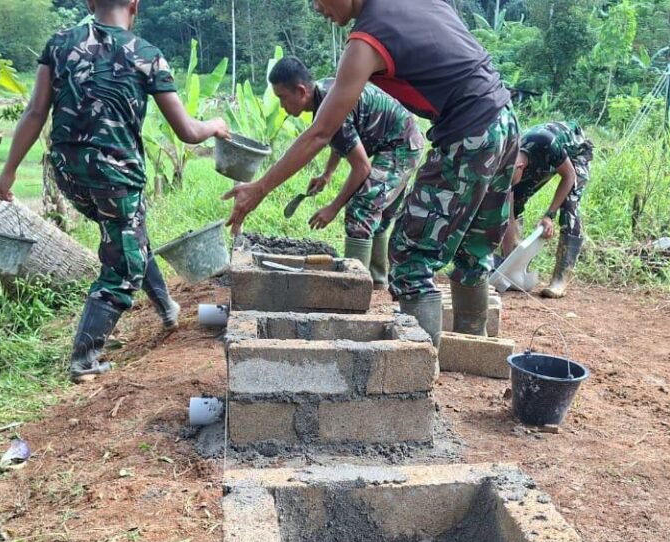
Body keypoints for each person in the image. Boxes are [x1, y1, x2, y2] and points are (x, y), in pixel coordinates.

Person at [224, 0, 518, 347]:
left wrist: (259, 188)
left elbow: (321, 133)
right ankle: (476, 349)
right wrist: (329, 175)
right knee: (473, 249)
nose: (316, 7)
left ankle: (414, 377)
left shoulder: (366, 41)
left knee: (410, 258)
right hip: (505, 121)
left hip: (468, 133)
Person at [0, 0, 229, 382]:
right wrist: (215, 125)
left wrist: (8, 172)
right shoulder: (147, 55)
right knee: (123, 266)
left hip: (70, 173)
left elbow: (35, 112)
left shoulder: (59, 44)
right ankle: (84, 358)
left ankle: (167, 307)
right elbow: (188, 131)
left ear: (89, 3)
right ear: (134, 4)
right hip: (115, 174)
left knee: (129, 231)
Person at [268, 56, 424, 289]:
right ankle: (377, 284)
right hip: (401, 142)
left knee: (361, 211)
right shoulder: (324, 94)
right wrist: (327, 174)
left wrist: (333, 207)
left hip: (401, 145)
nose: (282, 106)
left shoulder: (329, 102)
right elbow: (342, 138)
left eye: (283, 98)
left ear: (301, 91)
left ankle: (355, 289)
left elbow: (361, 167)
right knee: (377, 214)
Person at [505, 121, 593, 298]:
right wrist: (509, 259)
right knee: (513, 201)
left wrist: (549, 215)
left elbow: (569, 176)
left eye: (509, 180)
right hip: (540, 159)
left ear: (520, 167)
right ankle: (517, 270)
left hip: (574, 154)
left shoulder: (546, 143)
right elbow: (508, 209)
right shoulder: (508, 157)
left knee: (570, 204)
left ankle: (561, 278)